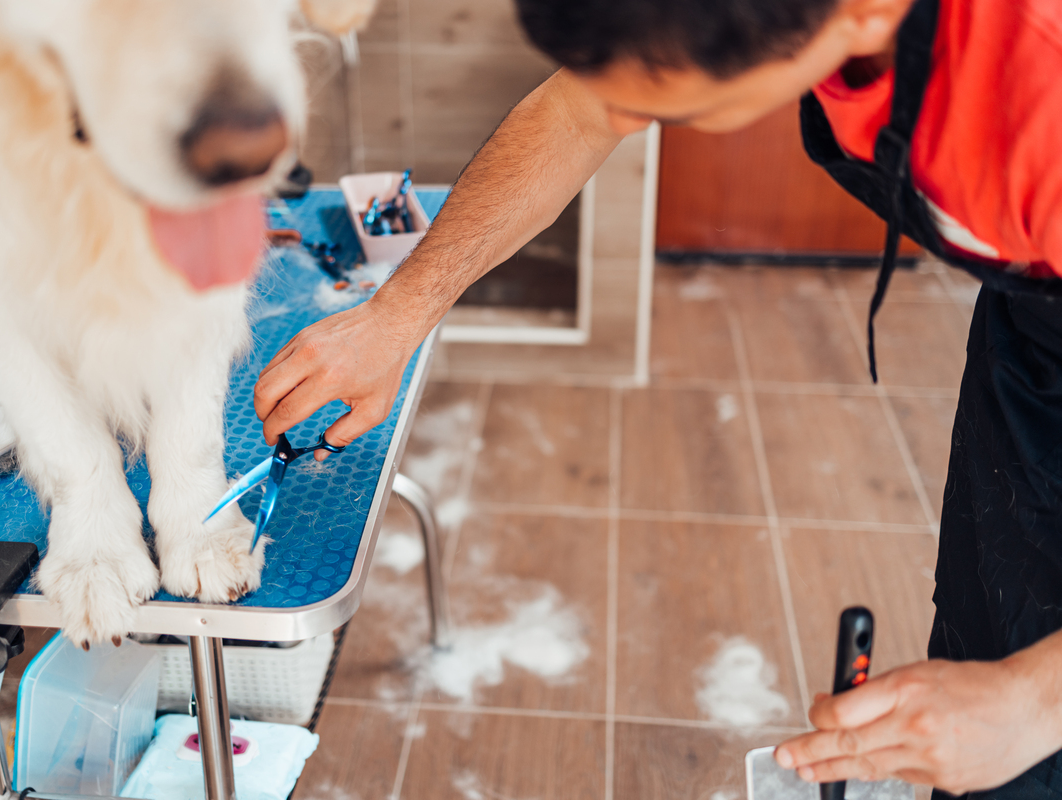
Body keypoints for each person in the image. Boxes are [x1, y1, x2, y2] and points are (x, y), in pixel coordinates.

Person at [253, 0, 1062, 795]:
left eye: (676, 108)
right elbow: (577, 114)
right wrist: (398, 314)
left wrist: (1027, 704)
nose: (625, 119)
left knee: (1021, 739)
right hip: (1032, 340)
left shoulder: (1041, 102)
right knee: (987, 646)